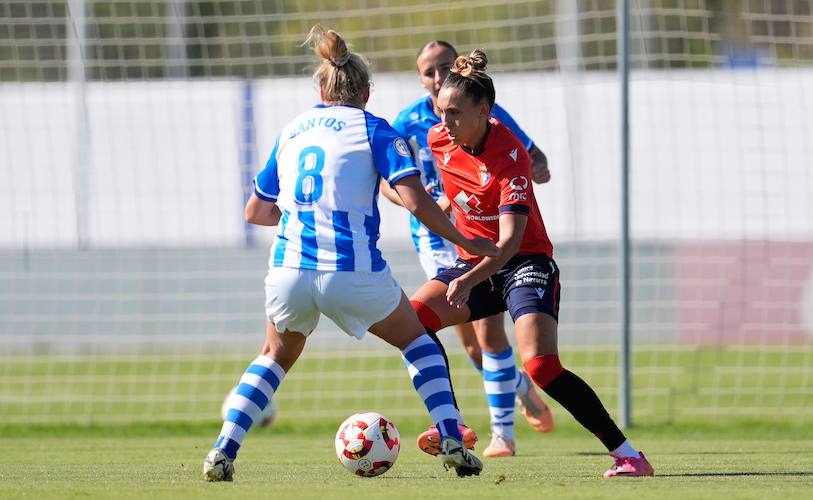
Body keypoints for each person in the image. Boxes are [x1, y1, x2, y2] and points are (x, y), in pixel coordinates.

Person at [202, 26, 497, 482]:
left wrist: (304, 219)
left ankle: (224, 449)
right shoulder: (377, 129)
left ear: (322, 89)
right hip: (352, 270)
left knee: (273, 357)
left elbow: (256, 210)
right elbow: (418, 202)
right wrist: (468, 241)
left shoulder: (291, 131)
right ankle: (452, 438)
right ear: (366, 92)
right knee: (418, 342)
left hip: (289, 269)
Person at [409, 49, 655, 477]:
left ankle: (628, 454)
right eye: (440, 111)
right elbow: (455, 188)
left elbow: (507, 244)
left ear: (484, 110)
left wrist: (466, 279)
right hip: (476, 261)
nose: (444, 123)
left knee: (541, 365)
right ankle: (453, 426)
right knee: (413, 321)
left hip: (524, 261)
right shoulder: (438, 141)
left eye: (455, 113)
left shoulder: (511, 155)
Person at [379, 40, 554, 458]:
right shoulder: (406, 122)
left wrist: (516, 177)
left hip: (484, 234)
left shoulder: (480, 111)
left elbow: (533, 160)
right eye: (428, 72)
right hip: (434, 238)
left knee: (488, 331)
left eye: (444, 68)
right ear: (420, 78)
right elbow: (387, 182)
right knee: (468, 342)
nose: (437, 77)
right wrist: (421, 203)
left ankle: (501, 435)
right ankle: (517, 389)